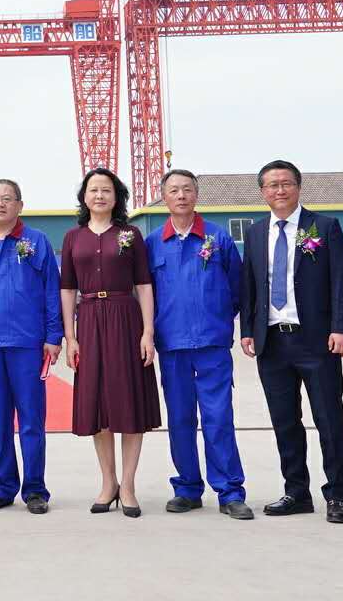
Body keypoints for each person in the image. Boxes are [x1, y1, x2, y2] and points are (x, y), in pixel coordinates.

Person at [240, 160, 343, 524]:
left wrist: (341, 328)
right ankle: (296, 492)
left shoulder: (324, 227)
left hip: (316, 340)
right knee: (284, 421)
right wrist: (247, 329)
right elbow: (250, 285)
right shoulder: (256, 233)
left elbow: (340, 281)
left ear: (298, 187)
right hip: (272, 341)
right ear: (263, 192)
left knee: (328, 419)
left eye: (286, 183)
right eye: (271, 185)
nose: (279, 190)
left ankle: (337, 496)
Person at [145, 169, 253, 520]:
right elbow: (144, 294)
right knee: (179, 419)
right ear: (164, 197)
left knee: (218, 417)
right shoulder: (152, 244)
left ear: (196, 194)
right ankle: (188, 488)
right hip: (172, 344)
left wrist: (217, 318)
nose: (181, 196)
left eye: (187, 189)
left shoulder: (218, 238)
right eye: (174, 190)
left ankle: (230, 491)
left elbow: (237, 289)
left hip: (211, 344)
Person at [60, 167, 161, 518]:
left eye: (107, 190)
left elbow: (144, 285)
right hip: (88, 320)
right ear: (84, 197)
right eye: (94, 190)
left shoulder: (130, 234)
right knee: (98, 402)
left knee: (128, 400)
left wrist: (147, 332)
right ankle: (108, 482)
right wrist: (71, 336)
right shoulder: (73, 238)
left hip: (125, 318)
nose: (100, 195)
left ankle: (129, 485)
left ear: (116, 197)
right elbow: (67, 289)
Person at [0, 178, 62, 514]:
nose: (0, 204)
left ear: (20, 205)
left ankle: (35, 489)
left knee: (31, 419)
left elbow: (51, 290)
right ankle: (2, 487)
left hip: (27, 344)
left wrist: (53, 336)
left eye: (7, 198)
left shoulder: (37, 241)